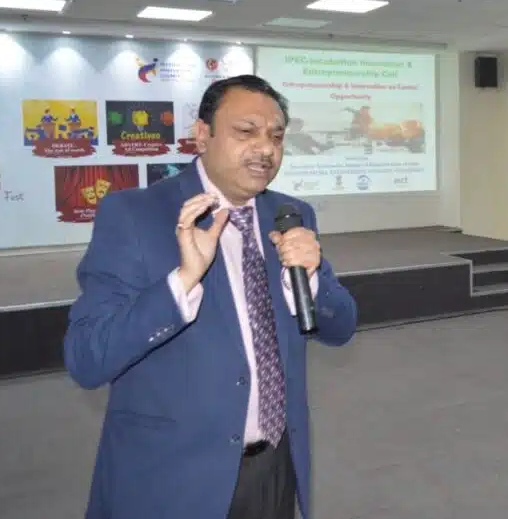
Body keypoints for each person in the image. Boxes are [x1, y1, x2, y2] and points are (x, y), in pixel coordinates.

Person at [63, 74, 358, 519]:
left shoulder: (291, 215)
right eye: (246, 132)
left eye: (276, 137)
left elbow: (342, 326)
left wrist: (312, 280)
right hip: (173, 479)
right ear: (202, 135)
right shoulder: (134, 214)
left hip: (274, 467)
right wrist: (182, 283)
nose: (265, 149)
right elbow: (87, 358)